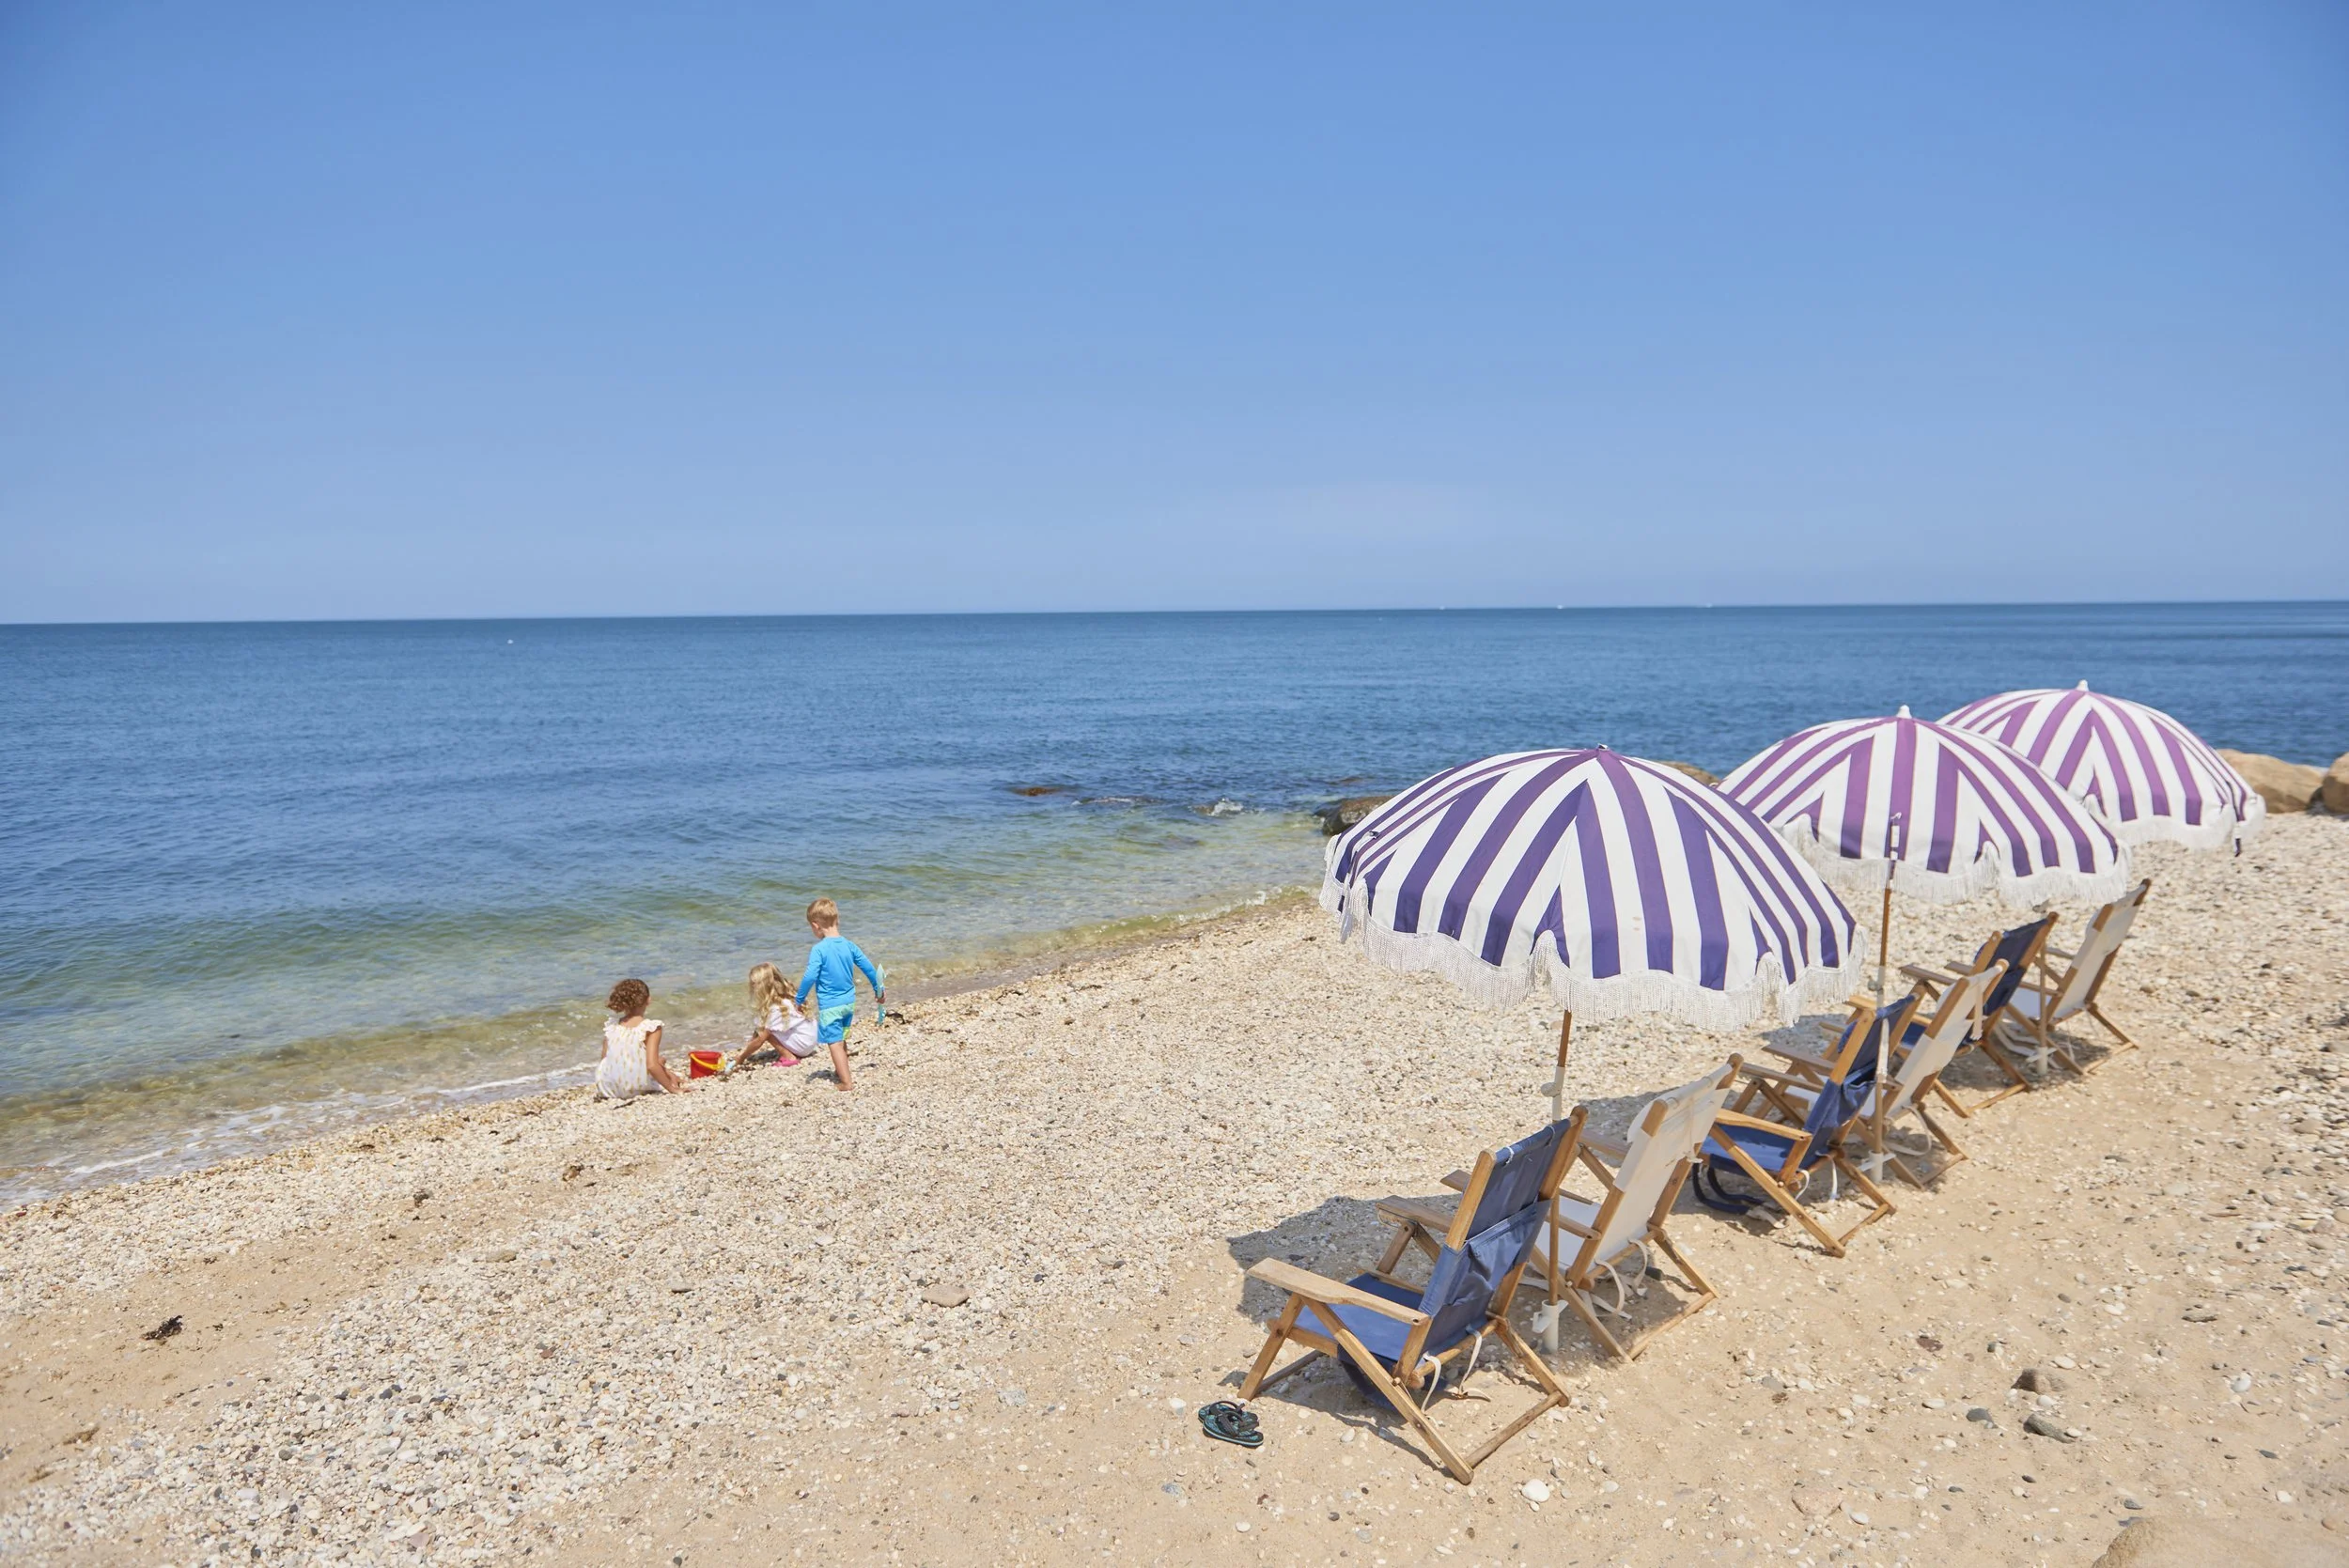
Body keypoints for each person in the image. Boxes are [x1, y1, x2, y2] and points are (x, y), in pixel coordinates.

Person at [795, 897, 884, 1092]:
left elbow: (810, 976)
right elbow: (869, 969)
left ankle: (846, 1082)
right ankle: (841, 1070)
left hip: (830, 1004)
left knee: (834, 1042)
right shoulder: (849, 945)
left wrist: (799, 999)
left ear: (815, 925)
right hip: (848, 1002)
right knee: (841, 1037)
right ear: (837, 920)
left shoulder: (819, 949)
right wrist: (879, 991)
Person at [595, 978, 686, 1102]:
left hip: (607, 1088)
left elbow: (605, 1059)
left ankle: (670, 1075)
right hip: (635, 1088)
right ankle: (671, 1079)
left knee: (657, 1061)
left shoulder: (612, 1026)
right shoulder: (650, 1027)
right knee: (659, 1061)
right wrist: (672, 1089)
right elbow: (652, 1066)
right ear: (648, 1000)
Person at [742, 960, 818, 1068]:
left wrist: (741, 1058)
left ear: (763, 986)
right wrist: (751, 1042)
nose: (752, 987)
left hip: (803, 1045)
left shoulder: (775, 1008)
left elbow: (760, 1038)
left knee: (767, 1032)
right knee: (764, 1028)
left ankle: (789, 1057)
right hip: (810, 1041)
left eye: (754, 984)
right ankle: (792, 1051)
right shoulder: (787, 998)